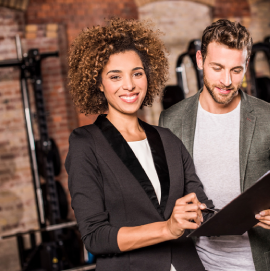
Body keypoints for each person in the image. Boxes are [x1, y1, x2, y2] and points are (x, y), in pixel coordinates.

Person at [159, 19, 270, 271]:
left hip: (259, 261)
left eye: (236, 70)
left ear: (246, 65)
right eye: (217, 68)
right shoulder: (172, 119)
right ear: (200, 60)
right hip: (199, 261)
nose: (226, 81)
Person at [66, 18, 214, 271]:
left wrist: (253, 214)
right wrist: (167, 229)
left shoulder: (168, 139)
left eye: (137, 73)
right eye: (115, 76)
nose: (130, 85)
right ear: (99, 84)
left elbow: (202, 208)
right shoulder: (86, 144)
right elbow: (95, 237)